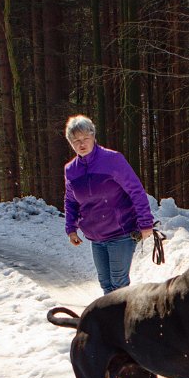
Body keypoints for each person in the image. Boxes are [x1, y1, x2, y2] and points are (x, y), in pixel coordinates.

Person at [63, 114, 154, 294]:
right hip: (96, 236)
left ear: (94, 136)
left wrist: (145, 223)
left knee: (118, 285)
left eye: (85, 138)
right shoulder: (71, 170)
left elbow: (136, 191)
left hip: (121, 232)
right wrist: (71, 228)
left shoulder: (113, 160)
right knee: (105, 283)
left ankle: (120, 321)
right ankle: (111, 321)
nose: (81, 144)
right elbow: (70, 200)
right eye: (76, 141)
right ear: (71, 143)